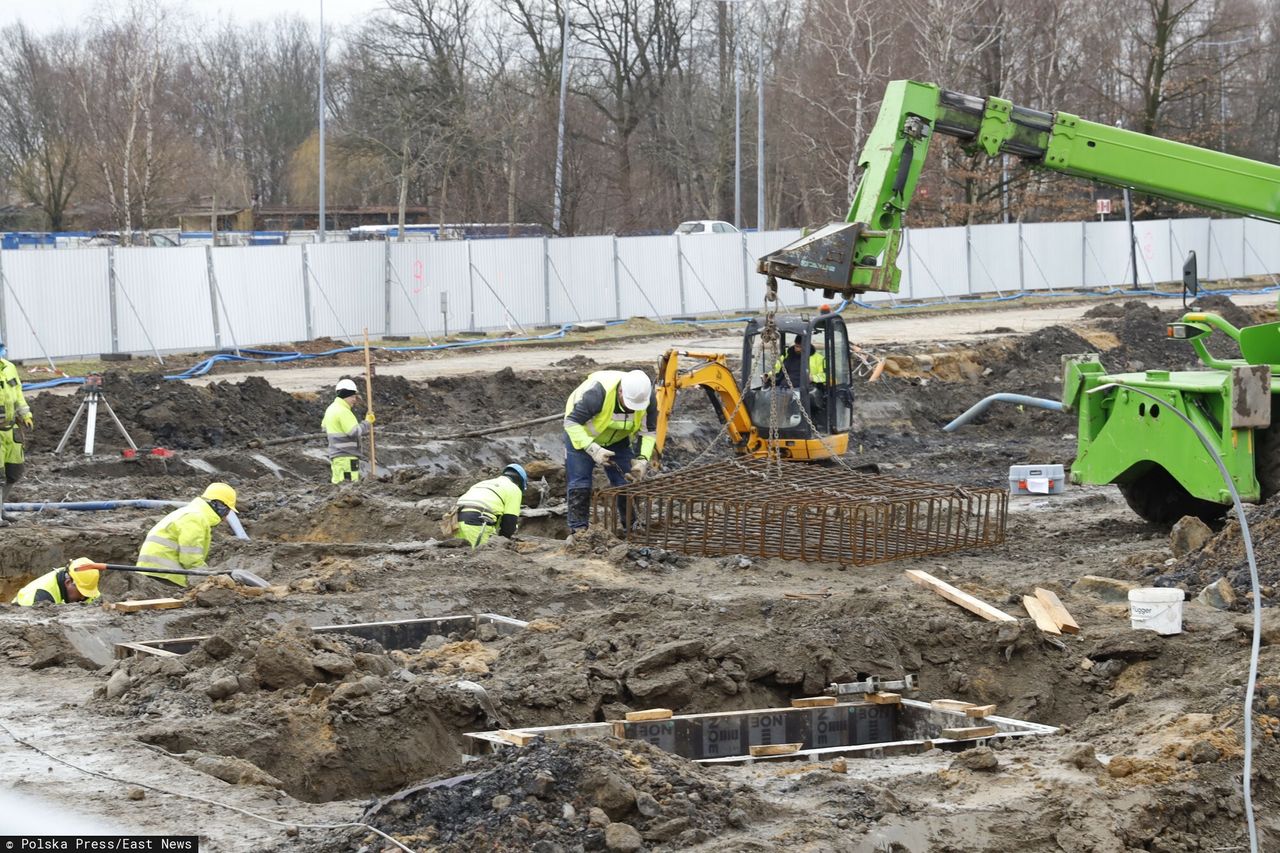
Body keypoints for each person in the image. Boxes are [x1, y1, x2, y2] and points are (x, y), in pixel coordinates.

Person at [563, 369, 655, 534]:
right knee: (580, 484)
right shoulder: (598, 394)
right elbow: (571, 423)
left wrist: (642, 459)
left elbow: (648, 432)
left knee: (627, 483)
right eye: (628, 403)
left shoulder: (646, 398)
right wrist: (592, 449)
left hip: (617, 440)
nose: (631, 409)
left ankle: (632, 527)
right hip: (582, 435)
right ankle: (578, 532)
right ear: (621, 392)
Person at [133, 483, 238, 588]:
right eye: (227, 510)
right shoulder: (196, 518)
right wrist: (208, 577)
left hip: (154, 569)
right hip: (164, 572)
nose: (226, 516)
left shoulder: (191, 512)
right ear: (219, 506)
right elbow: (190, 557)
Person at [453, 463, 527, 549]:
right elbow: (510, 521)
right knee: (480, 556)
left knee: (463, 555)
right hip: (478, 521)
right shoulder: (515, 489)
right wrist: (504, 542)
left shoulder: (484, 483)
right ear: (519, 483)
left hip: (456, 520)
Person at [0, 337, 33, 527]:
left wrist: (25, 414)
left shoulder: (9, 368)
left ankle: (2, 508)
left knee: (13, 472)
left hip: (10, 428)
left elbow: (18, 393)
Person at [322, 378, 375, 484]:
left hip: (337, 458)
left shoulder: (331, 408)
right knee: (349, 487)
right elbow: (354, 432)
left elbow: (324, 427)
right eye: (352, 396)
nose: (355, 399)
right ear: (345, 396)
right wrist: (367, 422)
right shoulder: (343, 411)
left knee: (338, 485)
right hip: (347, 458)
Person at [11, 558, 100, 606]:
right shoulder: (39, 597)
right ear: (68, 582)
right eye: (81, 592)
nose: (83, 598)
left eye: (87, 593)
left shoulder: (82, 583)